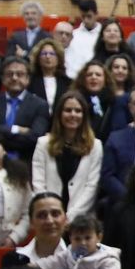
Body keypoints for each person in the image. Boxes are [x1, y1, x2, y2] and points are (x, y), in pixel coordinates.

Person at [31, 91, 102, 220]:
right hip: (49, 217)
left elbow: (92, 186)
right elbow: (38, 183)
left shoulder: (95, 146)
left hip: (82, 218)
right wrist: (52, 213)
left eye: (78, 111)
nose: (73, 115)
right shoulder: (43, 143)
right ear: (59, 114)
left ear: (84, 115)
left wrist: (70, 217)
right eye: (68, 110)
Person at [0, 57, 50, 160]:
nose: (14, 78)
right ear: (2, 79)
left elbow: (35, 138)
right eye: (9, 74)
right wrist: (16, 129)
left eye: (20, 74)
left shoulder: (40, 105)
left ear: (28, 79)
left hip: (25, 163)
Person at [26, 38, 70, 110]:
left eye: (52, 54)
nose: (48, 57)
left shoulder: (67, 82)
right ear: (38, 58)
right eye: (44, 53)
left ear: (58, 58)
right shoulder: (30, 81)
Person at [64, 0, 102, 77]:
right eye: (83, 16)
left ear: (96, 14)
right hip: (73, 77)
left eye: (89, 16)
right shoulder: (73, 35)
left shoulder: (103, 35)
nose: (86, 20)